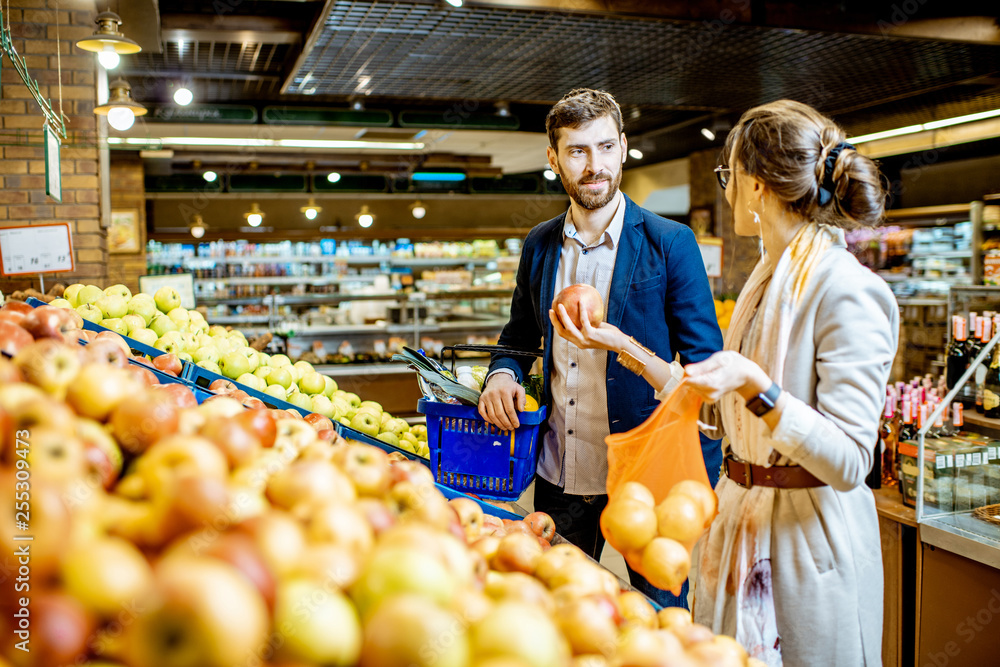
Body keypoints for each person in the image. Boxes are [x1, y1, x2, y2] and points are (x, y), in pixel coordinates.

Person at [549, 99, 896, 666]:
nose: (726, 188)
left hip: (805, 545)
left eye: (727, 175)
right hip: (743, 521)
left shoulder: (846, 290)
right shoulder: (766, 283)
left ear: (756, 186)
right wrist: (622, 346)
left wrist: (756, 385)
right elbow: (713, 407)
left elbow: (852, 461)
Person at [478, 88, 723, 608]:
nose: (595, 166)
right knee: (560, 610)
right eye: (577, 151)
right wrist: (502, 374)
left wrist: (624, 344)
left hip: (644, 475)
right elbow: (519, 338)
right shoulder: (540, 244)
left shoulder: (669, 242)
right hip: (560, 473)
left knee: (659, 618)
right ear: (553, 159)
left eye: (606, 147)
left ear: (623, 147)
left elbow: (706, 369)